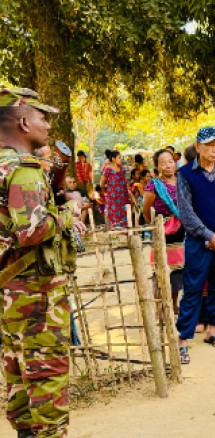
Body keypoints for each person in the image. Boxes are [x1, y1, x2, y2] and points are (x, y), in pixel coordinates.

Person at [0, 87, 86, 438]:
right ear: (23, 122)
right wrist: (70, 209)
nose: (48, 126)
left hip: (10, 292)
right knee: (47, 377)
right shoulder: (23, 169)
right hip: (36, 295)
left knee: (18, 373)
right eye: (42, 117)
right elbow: (32, 230)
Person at [176, 127, 215, 364]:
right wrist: (208, 235)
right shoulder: (185, 174)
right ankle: (183, 340)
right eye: (210, 145)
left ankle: (212, 331)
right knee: (192, 288)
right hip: (198, 240)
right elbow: (186, 212)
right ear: (198, 147)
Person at [143, 148, 186, 314]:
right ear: (157, 167)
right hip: (162, 231)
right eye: (163, 163)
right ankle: (160, 306)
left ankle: (173, 304)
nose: (168, 166)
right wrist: (157, 225)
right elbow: (146, 210)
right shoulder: (154, 185)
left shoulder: (182, 181)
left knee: (177, 271)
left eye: (170, 161)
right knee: (161, 270)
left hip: (180, 231)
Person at [100, 149, 134, 228]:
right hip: (112, 198)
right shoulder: (108, 169)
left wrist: (130, 195)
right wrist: (107, 192)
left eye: (121, 157)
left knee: (124, 216)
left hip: (123, 197)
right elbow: (102, 184)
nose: (121, 159)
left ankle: (124, 232)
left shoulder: (122, 169)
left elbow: (125, 183)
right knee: (114, 217)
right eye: (119, 157)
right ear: (113, 159)